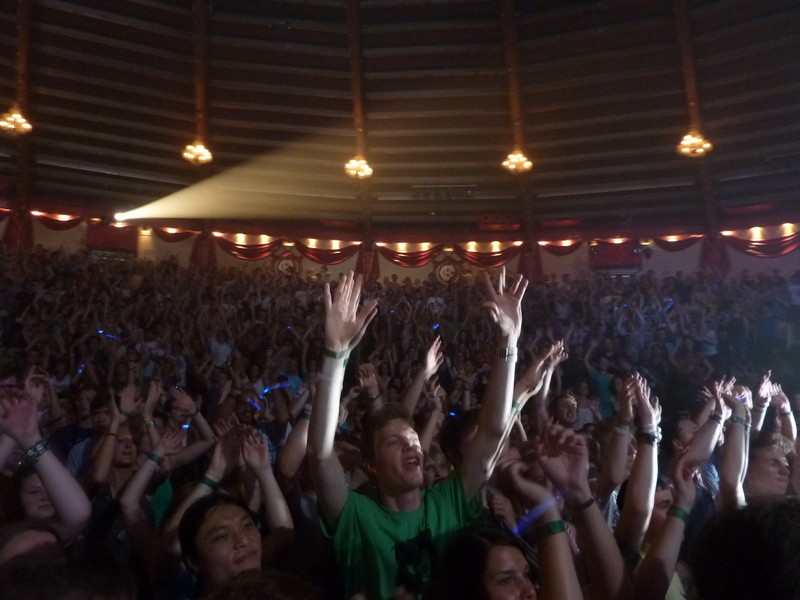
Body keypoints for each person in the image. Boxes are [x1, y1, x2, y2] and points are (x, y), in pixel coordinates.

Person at [308, 270, 527, 598]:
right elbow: (321, 454)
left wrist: (509, 344)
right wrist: (336, 355)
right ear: (369, 463)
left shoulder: (447, 503)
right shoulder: (356, 516)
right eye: (394, 442)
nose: (412, 446)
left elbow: (493, 433)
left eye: (413, 439)